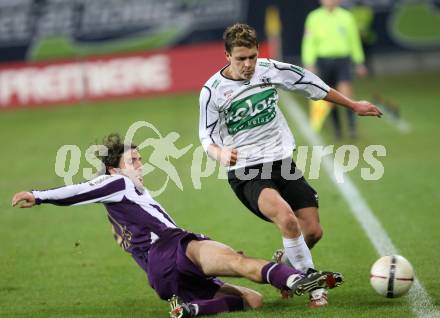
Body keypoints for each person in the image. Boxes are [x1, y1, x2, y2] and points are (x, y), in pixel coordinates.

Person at [11, 134, 343, 318]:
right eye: (134, 160)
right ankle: (301, 277)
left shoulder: (126, 198)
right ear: (114, 169)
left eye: (141, 159)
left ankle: (193, 309)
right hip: (172, 247)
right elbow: (80, 190)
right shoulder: (116, 185)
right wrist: (38, 196)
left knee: (252, 300)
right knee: (239, 263)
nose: (141, 165)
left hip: (161, 277)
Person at [198, 23, 381, 307]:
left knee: (313, 231)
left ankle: (284, 264)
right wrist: (219, 154)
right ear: (227, 57)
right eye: (241, 58)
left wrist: (353, 104)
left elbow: (311, 84)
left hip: (282, 162)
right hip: (246, 170)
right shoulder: (212, 92)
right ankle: (314, 287)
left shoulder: (270, 69)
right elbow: (206, 136)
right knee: (287, 220)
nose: (248, 64)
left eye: (252, 57)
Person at [302, 0, 368, 139]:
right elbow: (309, 42)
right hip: (323, 61)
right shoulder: (313, 17)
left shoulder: (346, 17)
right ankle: (337, 128)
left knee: (346, 92)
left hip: (342, 60)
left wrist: (359, 62)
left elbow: (354, 41)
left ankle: (351, 127)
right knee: (329, 96)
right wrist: (309, 62)